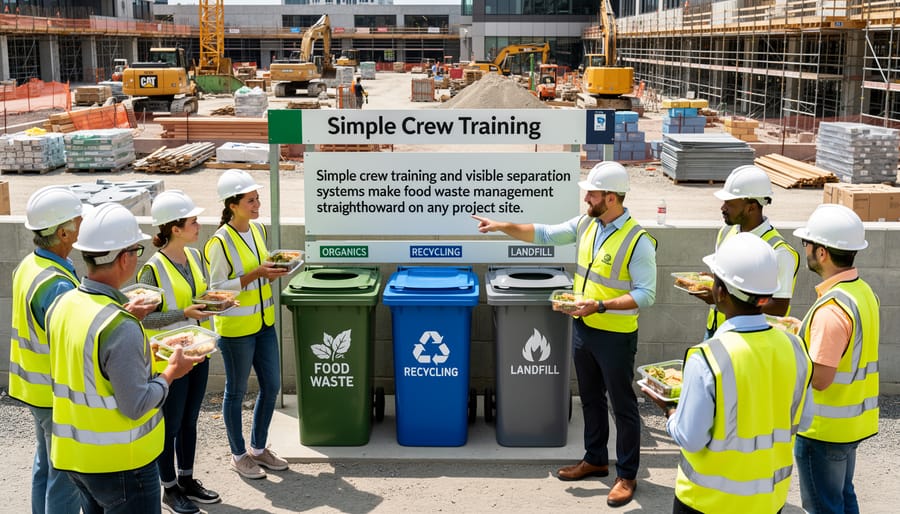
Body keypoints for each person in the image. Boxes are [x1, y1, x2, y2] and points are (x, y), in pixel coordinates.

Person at [474, 161, 657, 507]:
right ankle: (596, 459)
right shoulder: (588, 224)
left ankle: (627, 475)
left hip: (615, 335)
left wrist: (600, 307)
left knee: (623, 406)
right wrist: (501, 226)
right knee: (590, 398)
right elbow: (544, 233)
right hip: (584, 328)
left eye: (593, 192)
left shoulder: (639, 241)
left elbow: (647, 294)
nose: (586, 197)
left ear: (612, 199)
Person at [45, 202, 202, 513]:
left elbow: (90, 363)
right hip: (122, 463)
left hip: (74, 458)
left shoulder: (64, 305)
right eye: (135, 249)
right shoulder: (120, 326)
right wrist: (171, 372)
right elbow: (137, 405)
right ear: (124, 258)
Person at [644, 232, 813, 513]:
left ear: (720, 293)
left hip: (707, 503)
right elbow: (804, 421)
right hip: (768, 502)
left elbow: (691, 437)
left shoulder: (708, 357)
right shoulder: (795, 347)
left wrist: (670, 411)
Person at [792, 204, 879, 514]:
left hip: (823, 430)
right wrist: (803, 330)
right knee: (843, 498)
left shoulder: (831, 310)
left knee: (823, 507)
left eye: (808, 243)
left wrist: (788, 352)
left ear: (823, 252)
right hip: (849, 425)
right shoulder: (862, 292)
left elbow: (821, 378)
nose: (805, 248)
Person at [137, 191, 220, 513]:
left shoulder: (196, 257)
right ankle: (169, 488)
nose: (198, 225)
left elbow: (200, 300)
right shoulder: (151, 269)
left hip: (199, 352)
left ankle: (187, 479)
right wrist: (185, 313)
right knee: (170, 425)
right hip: (169, 360)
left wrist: (216, 303)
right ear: (175, 228)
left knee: (189, 421)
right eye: (193, 221)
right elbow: (146, 319)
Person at [204, 169, 289, 479]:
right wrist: (257, 274)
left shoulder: (257, 231)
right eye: (251, 201)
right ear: (232, 205)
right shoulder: (219, 243)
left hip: (264, 323)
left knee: (271, 386)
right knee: (236, 392)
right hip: (236, 330)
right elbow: (216, 291)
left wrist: (275, 269)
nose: (257, 205)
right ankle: (239, 455)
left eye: (258, 199)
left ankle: (258, 448)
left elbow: (261, 267)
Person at [9, 186, 86, 514]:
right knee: (66, 476)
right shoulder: (57, 284)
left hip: (34, 389)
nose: (83, 222)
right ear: (63, 232)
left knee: (45, 462)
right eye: (77, 219)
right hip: (55, 394)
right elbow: (73, 341)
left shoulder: (30, 264)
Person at [693, 165, 799, 337]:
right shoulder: (727, 232)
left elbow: (779, 307)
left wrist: (723, 298)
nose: (723, 208)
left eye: (730, 203)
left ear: (751, 207)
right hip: (718, 329)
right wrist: (712, 283)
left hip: (752, 338)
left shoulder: (779, 251)